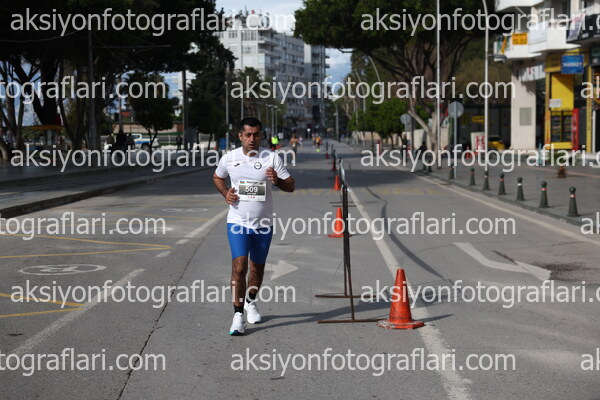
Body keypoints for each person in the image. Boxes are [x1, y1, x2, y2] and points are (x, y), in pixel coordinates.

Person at [213, 117, 295, 336]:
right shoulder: (230, 158)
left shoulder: (271, 158)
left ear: (261, 136)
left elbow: (291, 186)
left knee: (257, 268)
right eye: (248, 134)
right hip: (237, 222)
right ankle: (237, 315)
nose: (252, 139)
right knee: (239, 267)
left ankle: (250, 301)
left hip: (263, 225)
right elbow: (217, 177)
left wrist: (277, 180)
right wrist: (225, 192)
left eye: (256, 134)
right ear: (240, 135)